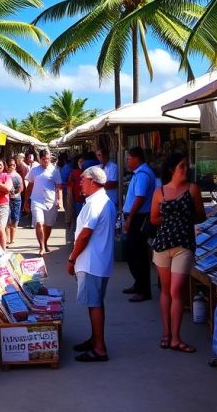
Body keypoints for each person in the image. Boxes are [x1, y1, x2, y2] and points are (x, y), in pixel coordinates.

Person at [149, 152, 205, 352]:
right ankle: (167, 333)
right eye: (182, 166)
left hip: (183, 245)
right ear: (173, 169)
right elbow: (153, 218)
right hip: (163, 243)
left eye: (187, 165)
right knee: (166, 290)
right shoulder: (159, 192)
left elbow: (201, 216)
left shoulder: (192, 189)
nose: (186, 169)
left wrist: (182, 221)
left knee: (175, 290)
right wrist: (172, 221)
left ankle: (175, 336)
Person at [67, 166, 116, 363]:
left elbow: (85, 235)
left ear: (92, 182)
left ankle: (99, 348)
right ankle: (95, 340)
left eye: (83, 179)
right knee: (94, 302)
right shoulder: (103, 201)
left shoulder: (95, 204)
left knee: (94, 303)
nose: (80, 182)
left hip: (91, 262)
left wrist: (71, 259)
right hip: (98, 261)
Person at [122, 147, 156, 302]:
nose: (127, 161)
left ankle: (143, 289)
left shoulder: (142, 174)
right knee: (132, 252)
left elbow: (140, 198)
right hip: (135, 216)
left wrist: (130, 219)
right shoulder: (140, 173)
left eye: (129, 158)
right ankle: (138, 284)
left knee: (138, 254)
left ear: (136, 158)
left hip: (138, 218)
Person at [25, 149, 63, 255]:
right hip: (36, 201)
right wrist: (26, 201)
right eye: (44, 159)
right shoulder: (34, 170)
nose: (46, 161)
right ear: (39, 159)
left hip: (50, 201)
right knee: (39, 223)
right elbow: (30, 186)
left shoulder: (55, 170)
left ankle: (45, 243)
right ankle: (41, 247)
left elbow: (59, 186)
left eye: (48, 159)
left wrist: (59, 200)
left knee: (48, 225)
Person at [6, 158, 24, 244]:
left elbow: (21, 188)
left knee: (15, 219)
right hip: (7, 199)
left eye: (13, 165)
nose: (11, 167)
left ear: (15, 165)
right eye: (9, 165)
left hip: (16, 199)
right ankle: (7, 239)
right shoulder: (5, 175)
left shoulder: (18, 176)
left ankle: (12, 240)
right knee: (7, 219)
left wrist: (15, 194)